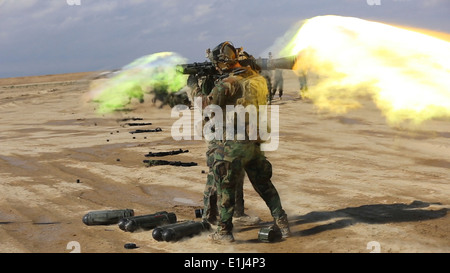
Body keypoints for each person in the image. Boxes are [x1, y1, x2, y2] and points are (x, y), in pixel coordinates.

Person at [204, 41, 290, 243]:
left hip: (232, 144)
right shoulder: (258, 79)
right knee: (264, 184)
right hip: (254, 140)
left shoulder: (228, 83)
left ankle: (224, 232)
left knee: (226, 185)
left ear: (222, 63)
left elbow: (209, 107)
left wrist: (204, 85)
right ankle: (282, 222)